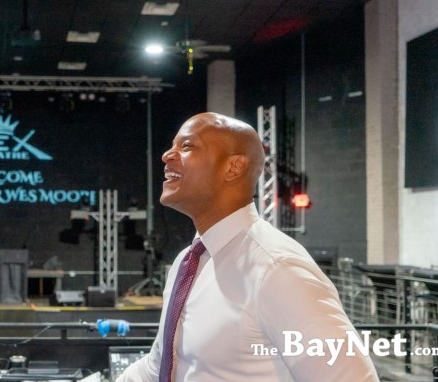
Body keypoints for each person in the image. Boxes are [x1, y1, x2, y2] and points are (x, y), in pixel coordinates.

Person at [117, 113, 378, 381]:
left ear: (234, 167)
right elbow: (159, 366)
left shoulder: (278, 269)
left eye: (186, 146)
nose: (167, 155)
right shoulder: (188, 261)